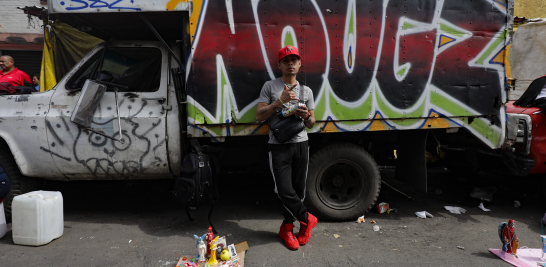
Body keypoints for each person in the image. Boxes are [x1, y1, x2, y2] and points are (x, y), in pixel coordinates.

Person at [256, 45, 317, 250]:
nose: (290, 64)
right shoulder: (270, 86)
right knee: (283, 190)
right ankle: (307, 219)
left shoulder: (306, 91)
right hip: (278, 146)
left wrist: (306, 115)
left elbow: (311, 123)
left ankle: (289, 229)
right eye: (286, 60)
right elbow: (259, 116)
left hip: (301, 144)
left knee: (298, 190)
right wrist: (278, 102)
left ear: (299, 64)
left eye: (294, 60)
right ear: (279, 64)